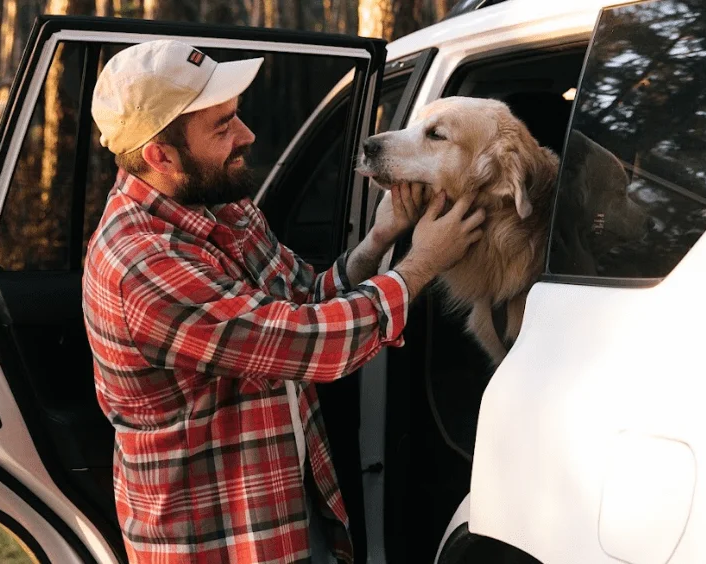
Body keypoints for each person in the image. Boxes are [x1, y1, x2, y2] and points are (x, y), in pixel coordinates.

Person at [82, 39, 485, 563]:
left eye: (236, 117)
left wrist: (379, 240)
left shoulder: (222, 206)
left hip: (285, 511)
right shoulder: (140, 266)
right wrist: (422, 263)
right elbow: (307, 345)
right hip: (216, 543)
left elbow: (305, 300)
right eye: (222, 127)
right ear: (161, 156)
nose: (246, 135)